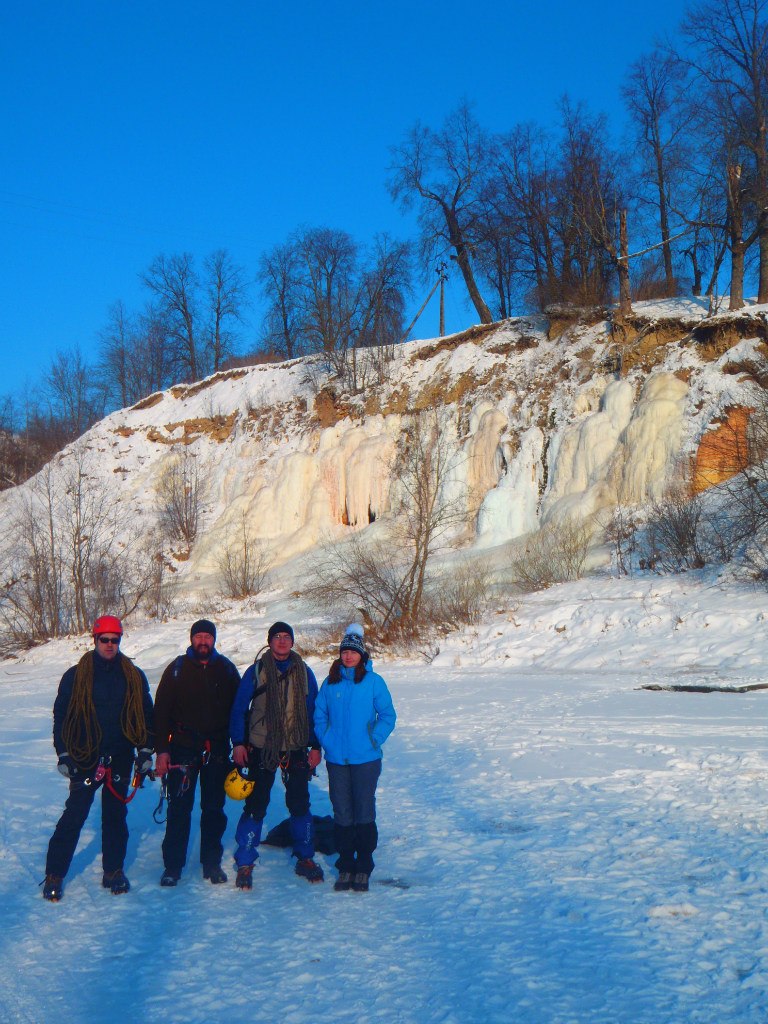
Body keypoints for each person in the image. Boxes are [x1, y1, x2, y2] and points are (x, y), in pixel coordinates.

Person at [42, 616, 154, 901]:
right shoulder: (75, 675)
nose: (110, 645)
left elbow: (146, 715)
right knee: (74, 815)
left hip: (119, 755)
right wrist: (64, 753)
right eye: (104, 639)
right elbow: (61, 716)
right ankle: (55, 873)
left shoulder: (133, 674)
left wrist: (144, 751)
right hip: (85, 755)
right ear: (94, 640)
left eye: (115, 640)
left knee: (116, 816)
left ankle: (113, 870)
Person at [229, 621, 324, 888]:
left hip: (295, 746)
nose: (282, 641)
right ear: (269, 641)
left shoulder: (304, 673)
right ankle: (245, 860)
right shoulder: (257, 670)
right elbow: (238, 709)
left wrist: (315, 746)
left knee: (300, 803)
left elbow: (313, 711)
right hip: (262, 747)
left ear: (292, 642)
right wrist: (238, 742)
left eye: (286, 637)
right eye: (277, 637)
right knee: (256, 804)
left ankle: (305, 857)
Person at [153, 619, 241, 886]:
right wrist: (162, 751)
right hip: (182, 749)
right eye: (199, 636)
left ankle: (211, 863)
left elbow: (239, 713)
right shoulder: (177, 669)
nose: (203, 641)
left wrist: (240, 743)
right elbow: (161, 713)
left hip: (215, 748)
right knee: (179, 808)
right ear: (191, 639)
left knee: (213, 808)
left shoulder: (225, 669)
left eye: (208, 636)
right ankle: (173, 866)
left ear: (214, 640)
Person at [314, 624, 396, 892]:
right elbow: (320, 715)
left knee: (363, 809)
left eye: (353, 652)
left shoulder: (373, 682)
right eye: (344, 652)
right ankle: (346, 864)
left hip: (366, 759)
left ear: (362, 655)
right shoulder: (330, 682)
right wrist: (327, 738)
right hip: (337, 759)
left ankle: (364, 864)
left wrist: (374, 738)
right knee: (342, 811)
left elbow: (387, 716)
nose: (348, 656)